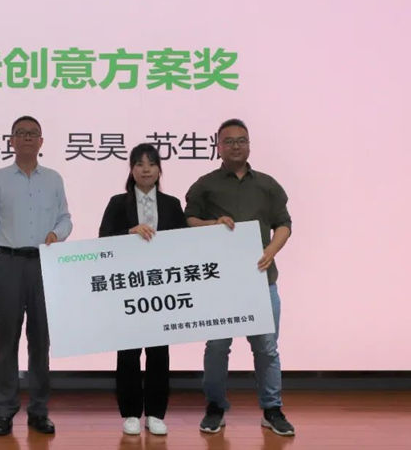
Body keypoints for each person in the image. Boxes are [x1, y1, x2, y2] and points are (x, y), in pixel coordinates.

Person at [184, 118, 295, 437]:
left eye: (241, 140)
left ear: (249, 145)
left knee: (267, 348)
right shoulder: (205, 185)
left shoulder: (268, 185)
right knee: (217, 347)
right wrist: (211, 225)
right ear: (218, 146)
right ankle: (215, 407)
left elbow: (284, 224)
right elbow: (188, 220)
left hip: (262, 279)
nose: (236, 146)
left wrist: (271, 250)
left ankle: (272, 409)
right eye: (229, 141)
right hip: (221, 282)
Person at [0, 116, 72, 436]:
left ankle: (39, 411)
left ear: (42, 141)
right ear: (12, 141)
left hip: (44, 263)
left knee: (41, 341)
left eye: (33, 133)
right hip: (8, 263)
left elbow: (66, 218)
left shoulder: (54, 179)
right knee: (6, 341)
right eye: (21, 133)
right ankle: (4, 411)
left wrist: (57, 234)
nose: (27, 138)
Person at [98, 143, 187, 436]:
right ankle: (131, 413)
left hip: (162, 287)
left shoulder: (172, 204)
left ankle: (156, 413)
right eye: (139, 163)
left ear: (160, 169)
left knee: (159, 352)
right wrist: (129, 233)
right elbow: (103, 239)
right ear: (131, 169)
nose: (146, 169)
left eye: (151, 163)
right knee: (128, 352)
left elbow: (185, 244)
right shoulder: (117, 203)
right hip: (128, 287)